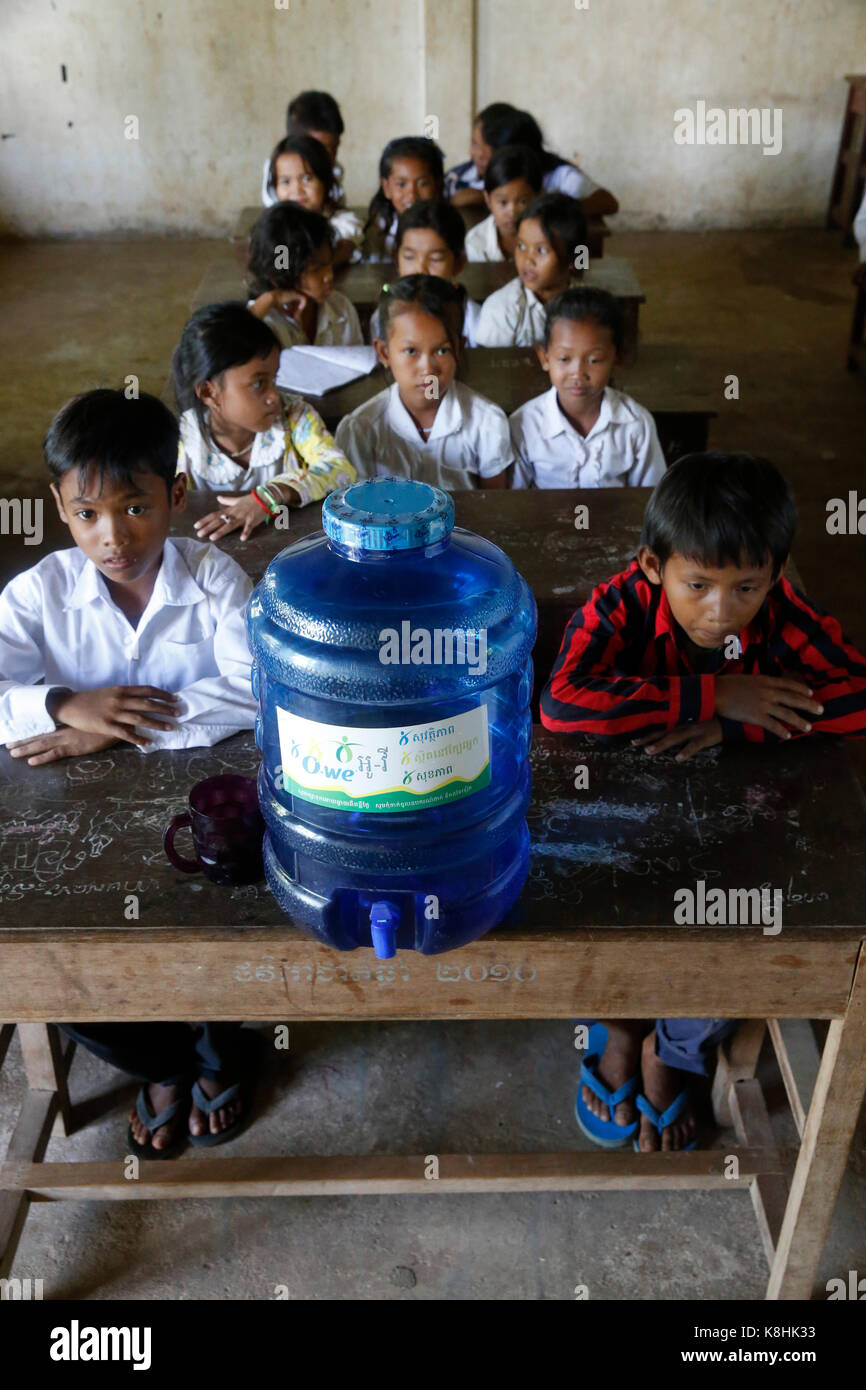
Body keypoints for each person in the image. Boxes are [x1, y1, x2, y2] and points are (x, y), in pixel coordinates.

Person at [540, 452, 866, 1150]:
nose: (720, 612)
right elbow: (563, 704)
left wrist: (738, 723)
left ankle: (673, 1051)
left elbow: (858, 694)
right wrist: (710, 691)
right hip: (619, 812)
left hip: (737, 814)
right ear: (653, 566)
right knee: (587, 898)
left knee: (743, 927)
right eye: (698, 585)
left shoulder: (785, 613)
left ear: (775, 574)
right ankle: (620, 1029)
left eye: (746, 586)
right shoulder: (621, 600)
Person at [0, 389, 261, 1154]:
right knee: (54, 968)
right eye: (87, 515)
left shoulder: (216, 580)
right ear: (58, 507)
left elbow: (254, 689)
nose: (112, 537)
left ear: (177, 494)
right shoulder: (35, 595)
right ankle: (167, 1062)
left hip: (198, 816)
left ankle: (217, 1048)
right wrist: (62, 703)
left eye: (135, 508)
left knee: (232, 916)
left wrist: (113, 732)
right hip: (72, 828)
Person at [173, 302, 355, 543]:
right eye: (258, 383)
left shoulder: (294, 417)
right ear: (209, 393)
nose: (274, 396)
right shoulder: (184, 441)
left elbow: (341, 470)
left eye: (274, 378)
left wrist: (272, 494)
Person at [336, 274, 512, 490]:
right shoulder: (361, 430)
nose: (428, 369)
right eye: (411, 351)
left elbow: (494, 507)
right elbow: (356, 510)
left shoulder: (486, 422)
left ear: (459, 348)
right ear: (384, 353)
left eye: (442, 350)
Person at [511, 287, 665, 488]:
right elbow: (516, 502)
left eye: (594, 360)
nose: (577, 373)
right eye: (564, 358)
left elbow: (650, 498)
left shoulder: (636, 424)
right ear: (545, 357)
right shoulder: (525, 424)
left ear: (616, 357)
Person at [446, 103, 618, 217]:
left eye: (482, 150)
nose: (474, 154)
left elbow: (609, 203)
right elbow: (457, 198)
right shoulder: (470, 173)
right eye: (473, 143)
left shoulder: (558, 175)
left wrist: (551, 205)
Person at [475, 192, 587, 347]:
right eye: (521, 246)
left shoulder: (588, 306)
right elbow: (488, 367)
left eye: (541, 250)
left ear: (573, 258)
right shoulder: (501, 310)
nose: (527, 260)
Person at [246, 203, 362, 348]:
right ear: (283, 273)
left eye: (328, 264)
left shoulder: (340, 308)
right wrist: (270, 298)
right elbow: (228, 355)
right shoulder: (261, 317)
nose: (329, 275)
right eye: (316, 269)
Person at [368, 200, 481, 347]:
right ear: (396, 259)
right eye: (409, 257)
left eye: (435, 259)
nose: (421, 269)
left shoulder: (475, 320)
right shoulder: (382, 318)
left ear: (459, 263)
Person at [263, 133, 362, 267]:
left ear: (326, 182)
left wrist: (313, 268)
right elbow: (281, 268)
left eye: (306, 179)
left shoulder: (341, 223)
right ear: (275, 188)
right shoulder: (277, 227)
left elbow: (345, 248)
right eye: (286, 181)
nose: (297, 190)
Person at [363, 136, 444, 261]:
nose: (412, 194)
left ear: (437, 185)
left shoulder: (446, 227)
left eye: (422, 184)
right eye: (401, 184)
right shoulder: (378, 231)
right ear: (387, 188)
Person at [260, 88, 346, 208]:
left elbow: (336, 207)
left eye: (335, 148)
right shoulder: (276, 171)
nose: (330, 156)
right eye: (320, 149)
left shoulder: (336, 170)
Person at [465, 144, 543, 263]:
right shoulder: (476, 241)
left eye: (522, 201)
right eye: (502, 202)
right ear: (488, 199)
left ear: (538, 197)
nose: (512, 212)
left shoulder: (550, 237)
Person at [443, 102, 521, 205]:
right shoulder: (455, 178)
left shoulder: (527, 180)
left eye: (492, 147)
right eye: (474, 144)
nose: (479, 155)